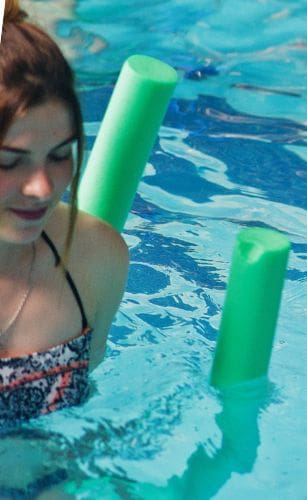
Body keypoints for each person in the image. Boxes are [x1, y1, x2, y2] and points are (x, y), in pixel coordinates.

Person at [1, 0, 129, 426]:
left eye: (60, 154)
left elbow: (79, 422)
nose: (42, 188)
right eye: (8, 161)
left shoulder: (94, 258)